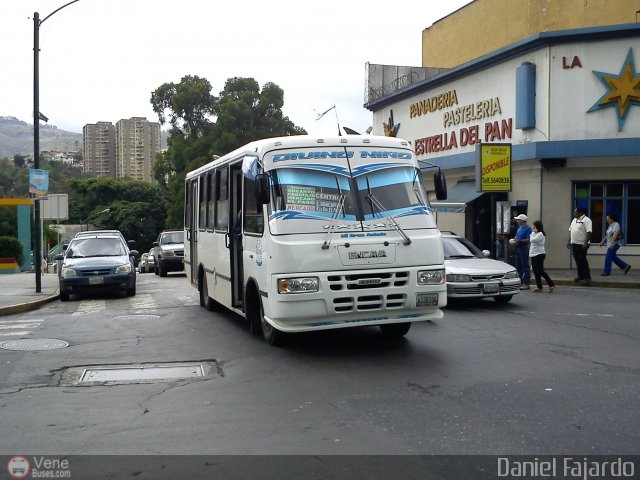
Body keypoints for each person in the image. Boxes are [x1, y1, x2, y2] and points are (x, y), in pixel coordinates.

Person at [567, 207, 592, 285]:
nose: (574, 214)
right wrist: (569, 241)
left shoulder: (587, 220)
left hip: (582, 244)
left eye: (575, 212)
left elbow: (589, 232)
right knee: (577, 260)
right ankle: (580, 276)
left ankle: (587, 278)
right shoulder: (574, 220)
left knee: (582, 260)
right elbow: (572, 231)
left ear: (580, 213)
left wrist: (585, 243)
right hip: (574, 243)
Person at [529, 220, 555, 292]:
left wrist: (532, 234)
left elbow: (532, 240)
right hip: (533, 254)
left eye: (533, 225)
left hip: (539, 254)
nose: (532, 227)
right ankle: (539, 286)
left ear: (536, 226)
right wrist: (533, 233)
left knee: (540, 271)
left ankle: (551, 284)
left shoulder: (540, 234)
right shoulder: (534, 233)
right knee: (535, 271)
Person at [511, 213, 532, 289]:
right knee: (518, 266)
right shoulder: (519, 228)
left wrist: (519, 240)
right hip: (518, 248)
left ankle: (526, 283)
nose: (517, 221)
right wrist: (515, 239)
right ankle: (519, 281)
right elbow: (516, 236)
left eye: (518, 220)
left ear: (522, 220)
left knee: (525, 265)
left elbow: (528, 239)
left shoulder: (528, 229)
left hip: (523, 248)